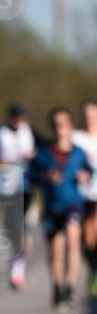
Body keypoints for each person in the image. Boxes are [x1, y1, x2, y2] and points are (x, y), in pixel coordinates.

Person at [30, 107, 93, 309]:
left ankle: (71, 286)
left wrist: (85, 176)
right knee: (55, 249)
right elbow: (31, 175)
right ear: (52, 128)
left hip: (73, 204)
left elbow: (89, 171)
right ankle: (57, 286)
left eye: (63, 125)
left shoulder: (78, 153)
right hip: (51, 206)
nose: (60, 129)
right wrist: (45, 177)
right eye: (56, 125)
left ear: (70, 127)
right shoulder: (44, 153)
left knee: (73, 240)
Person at [0, 104, 37, 289]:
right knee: (9, 228)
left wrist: (34, 157)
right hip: (3, 187)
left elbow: (46, 152)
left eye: (22, 118)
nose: (18, 122)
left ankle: (17, 269)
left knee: (17, 226)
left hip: (24, 187)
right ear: (10, 118)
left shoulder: (31, 132)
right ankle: (19, 251)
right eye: (15, 118)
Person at [71, 100, 97, 295]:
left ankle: (95, 272)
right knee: (86, 238)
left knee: (94, 231)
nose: (90, 118)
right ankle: (92, 269)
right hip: (80, 193)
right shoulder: (76, 137)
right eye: (86, 115)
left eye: (93, 115)